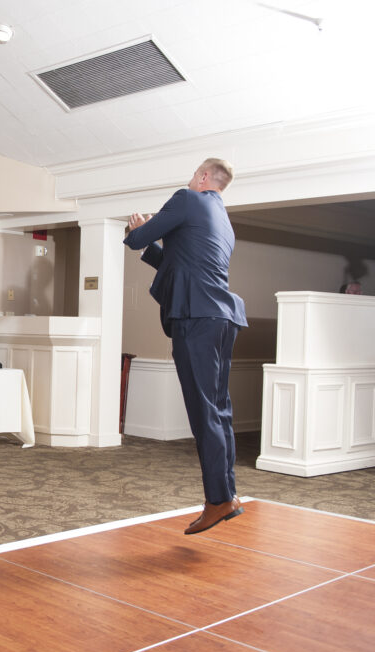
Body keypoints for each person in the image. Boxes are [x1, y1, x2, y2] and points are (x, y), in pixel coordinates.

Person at [124, 158, 248, 535]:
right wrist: (151, 248)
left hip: (196, 317)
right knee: (219, 409)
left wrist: (140, 230)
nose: (190, 179)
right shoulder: (223, 221)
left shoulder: (188, 199)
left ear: (204, 177)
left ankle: (217, 500)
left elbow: (136, 240)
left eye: (194, 174)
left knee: (203, 411)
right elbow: (181, 265)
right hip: (223, 318)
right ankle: (228, 493)